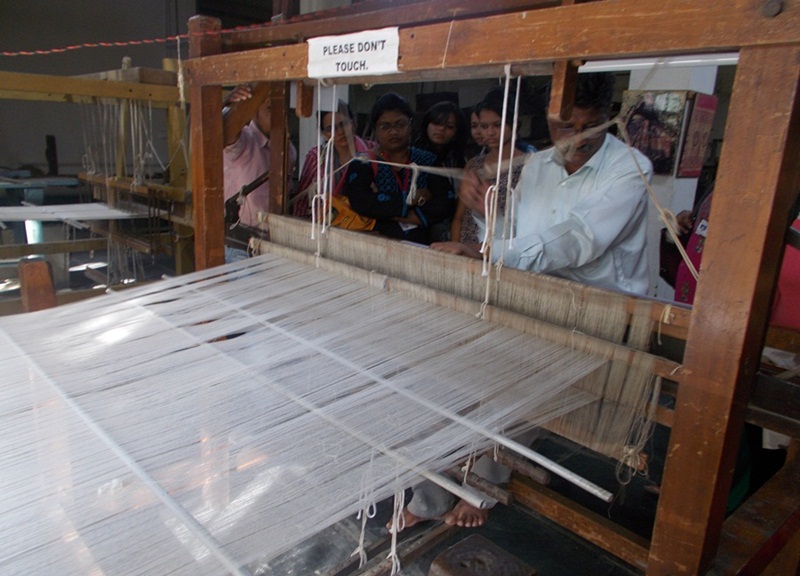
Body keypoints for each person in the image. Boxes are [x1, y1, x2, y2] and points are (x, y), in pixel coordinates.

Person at [393, 72, 653, 531]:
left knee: (518, 402)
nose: (571, 139)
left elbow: (580, 239)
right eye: (561, 127)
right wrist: (486, 212)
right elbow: (515, 234)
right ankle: (430, 493)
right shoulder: (540, 167)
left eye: (585, 127)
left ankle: (480, 488)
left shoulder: (630, 169)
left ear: (609, 120)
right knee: (445, 379)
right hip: (529, 295)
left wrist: (488, 251)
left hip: (592, 313)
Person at [340, 93, 451, 244]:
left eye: (400, 124)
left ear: (410, 125)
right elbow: (361, 202)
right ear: (376, 129)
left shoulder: (427, 161)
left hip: (423, 248)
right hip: (373, 244)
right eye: (385, 126)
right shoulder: (363, 163)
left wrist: (388, 209)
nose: (394, 131)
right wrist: (412, 199)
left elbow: (445, 203)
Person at [223, 84, 297, 262]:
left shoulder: (289, 151)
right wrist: (229, 105)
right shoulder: (242, 143)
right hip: (239, 247)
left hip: (272, 246)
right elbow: (222, 133)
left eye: (283, 110)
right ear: (253, 112)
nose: (280, 115)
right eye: (271, 109)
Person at [450, 94, 533, 244]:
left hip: (501, 251)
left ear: (514, 124)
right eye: (483, 126)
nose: (489, 132)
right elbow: (459, 217)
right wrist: (456, 250)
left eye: (497, 125)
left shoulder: (529, 165)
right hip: (467, 247)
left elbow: (528, 223)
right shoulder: (474, 165)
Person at [292, 101, 373, 220]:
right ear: (323, 133)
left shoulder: (372, 152)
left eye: (344, 124)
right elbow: (301, 203)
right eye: (331, 128)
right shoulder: (316, 157)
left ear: (353, 122)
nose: (340, 132)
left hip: (367, 228)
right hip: (326, 228)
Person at [413, 101, 468, 241]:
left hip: (453, 224)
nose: (441, 129)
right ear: (427, 124)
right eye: (436, 123)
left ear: (456, 132)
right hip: (419, 225)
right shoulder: (412, 156)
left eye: (449, 127)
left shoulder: (459, 160)